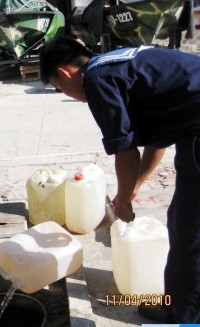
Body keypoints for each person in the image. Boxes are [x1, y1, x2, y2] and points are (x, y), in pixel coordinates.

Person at [39, 36, 200, 323]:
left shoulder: (97, 79)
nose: (67, 93)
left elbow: (125, 151)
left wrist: (123, 198)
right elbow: (156, 142)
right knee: (182, 218)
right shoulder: (116, 65)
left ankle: (186, 315)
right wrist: (134, 187)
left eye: (60, 87)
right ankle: (180, 303)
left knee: (190, 226)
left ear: (64, 74)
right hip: (191, 129)